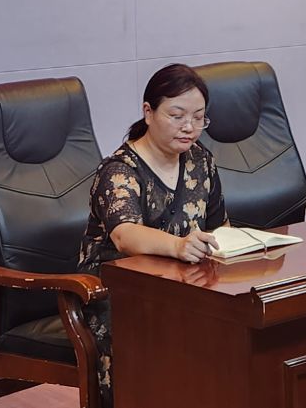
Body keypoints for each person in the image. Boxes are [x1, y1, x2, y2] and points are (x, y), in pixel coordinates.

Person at [76, 63, 227, 406]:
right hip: (118, 294)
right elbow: (125, 235)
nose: (189, 127)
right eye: (177, 116)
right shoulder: (119, 170)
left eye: (199, 118)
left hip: (182, 285)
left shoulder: (201, 161)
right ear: (149, 112)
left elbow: (220, 226)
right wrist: (179, 246)